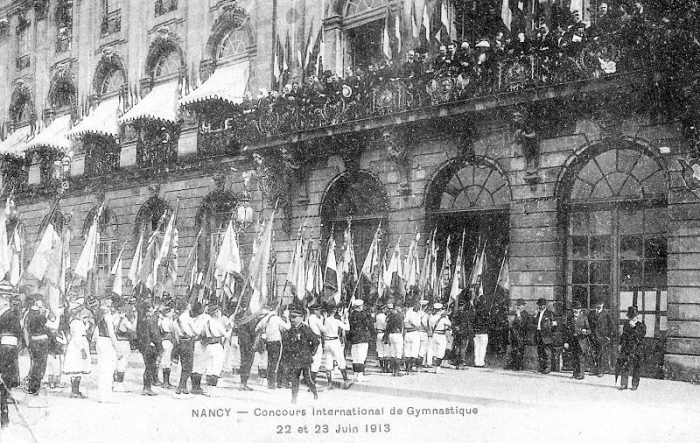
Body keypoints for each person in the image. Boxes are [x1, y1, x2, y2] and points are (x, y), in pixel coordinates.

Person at [281, 308, 319, 404]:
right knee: (294, 379)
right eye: (291, 318)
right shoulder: (290, 330)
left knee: (308, 379)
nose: (292, 320)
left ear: (301, 318)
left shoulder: (305, 329)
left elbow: (316, 341)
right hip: (294, 359)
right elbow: (286, 344)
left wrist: (311, 352)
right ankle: (294, 398)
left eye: (294, 317)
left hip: (305, 359)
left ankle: (315, 394)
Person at [24, 294, 55, 396]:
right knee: (40, 364)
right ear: (36, 302)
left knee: (35, 363)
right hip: (41, 341)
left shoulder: (28, 314)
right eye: (40, 301)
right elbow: (51, 324)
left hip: (33, 341)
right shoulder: (40, 314)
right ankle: (34, 387)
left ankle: (33, 385)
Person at [255, 306, 290, 390]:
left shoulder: (265, 319)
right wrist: (287, 317)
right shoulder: (277, 319)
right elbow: (288, 327)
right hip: (277, 342)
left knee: (270, 363)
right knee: (275, 363)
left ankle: (270, 383)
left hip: (268, 342)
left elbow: (257, 328)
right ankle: (273, 383)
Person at [0, 291, 21, 428]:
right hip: (10, 346)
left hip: (4, 345)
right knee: (6, 376)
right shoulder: (12, 315)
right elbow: (18, 332)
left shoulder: (5, 314)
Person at [93, 295, 119, 403]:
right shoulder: (107, 315)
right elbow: (111, 333)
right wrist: (118, 348)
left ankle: (102, 395)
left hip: (100, 340)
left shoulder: (98, 313)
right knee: (108, 369)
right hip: (107, 341)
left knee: (102, 368)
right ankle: (106, 396)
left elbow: (96, 331)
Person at [62, 306, 91, 399]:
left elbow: (84, 330)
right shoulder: (77, 323)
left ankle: (76, 390)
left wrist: (87, 323)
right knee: (77, 368)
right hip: (77, 346)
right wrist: (82, 349)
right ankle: (74, 391)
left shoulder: (77, 322)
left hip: (78, 343)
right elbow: (77, 338)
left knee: (77, 368)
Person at [136, 300, 163, 396]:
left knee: (147, 366)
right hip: (151, 346)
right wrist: (160, 347)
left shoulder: (141, 320)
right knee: (151, 367)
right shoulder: (151, 321)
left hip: (143, 346)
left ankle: (146, 387)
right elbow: (155, 335)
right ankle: (147, 388)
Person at [321, 305, 351, 389]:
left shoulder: (325, 320)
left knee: (328, 362)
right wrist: (346, 319)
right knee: (341, 361)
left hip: (327, 341)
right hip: (334, 341)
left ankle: (329, 383)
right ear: (334, 312)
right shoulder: (336, 321)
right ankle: (346, 381)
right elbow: (347, 328)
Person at [617, 306, 646, 390]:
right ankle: (624, 384)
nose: (632, 318)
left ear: (637, 316)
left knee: (636, 367)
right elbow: (624, 335)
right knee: (625, 365)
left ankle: (634, 384)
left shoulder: (641, 325)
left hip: (637, 348)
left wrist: (635, 327)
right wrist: (620, 344)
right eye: (630, 317)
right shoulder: (626, 324)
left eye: (633, 317)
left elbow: (641, 335)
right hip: (627, 348)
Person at [172, 300, 197, 395]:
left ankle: (182, 386)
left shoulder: (176, 320)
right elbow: (197, 331)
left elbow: (175, 335)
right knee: (188, 366)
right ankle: (182, 386)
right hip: (188, 342)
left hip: (180, 343)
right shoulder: (188, 318)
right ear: (187, 307)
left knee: (183, 365)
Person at [203, 305, 228, 397]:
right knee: (216, 368)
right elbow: (226, 335)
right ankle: (213, 391)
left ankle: (208, 390)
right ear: (216, 313)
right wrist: (231, 328)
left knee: (209, 368)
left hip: (208, 346)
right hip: (217, 345)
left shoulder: (206, 323)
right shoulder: (218, 323)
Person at [113, 296, 136, 392]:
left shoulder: (113, 317)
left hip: (114, 341)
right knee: (123, 362)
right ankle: (119, 385)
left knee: (115, 362)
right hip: (123, 341)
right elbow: (133, 328)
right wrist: (135, 317)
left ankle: (113, 383)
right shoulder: (124, 319)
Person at [348, 299, 374, 382]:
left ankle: (355, 374)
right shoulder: (362, 315)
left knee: (355, 358)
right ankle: (360, 375)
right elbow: (368, 324)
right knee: (361, 357)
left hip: (354, 338)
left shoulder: (351, 315)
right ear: (359, 307)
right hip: (362, 337)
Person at [564, 301, 590, 380]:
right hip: (573, 340)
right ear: (572, 309)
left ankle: (581, 374)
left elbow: (589, 330)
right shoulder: (569, 318)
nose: (576, 310)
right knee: (574, 357)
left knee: (581, 358)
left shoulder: (584, 318)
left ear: (580, 310)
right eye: (575, 308)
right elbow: (566, 331)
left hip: (581, 340)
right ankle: (575, 373)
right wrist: (566, 341)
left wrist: (585, 332)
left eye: (578, 309)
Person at [588, 299, 614, 376]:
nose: (599, 305)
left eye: (601, 304)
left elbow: (611, 326)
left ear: (603, 304)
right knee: (594, 353)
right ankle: (594, 369)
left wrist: (608, 336)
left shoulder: (606, 314)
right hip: (593, 336)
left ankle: (601, 370)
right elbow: (588, 324)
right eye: (597, 303)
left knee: (601, 354)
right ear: (595, 305)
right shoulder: (591, 313)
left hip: (602, 337)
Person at [535, 298, 556, 374]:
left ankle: (547, 368)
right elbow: (534, 323)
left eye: (542, 305)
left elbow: (554, 325)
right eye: (539, 305)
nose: (540, 306)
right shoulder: (537, 313)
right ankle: (541, 367)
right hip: (539, 335)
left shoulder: (550, 313)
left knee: (547, 353)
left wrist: (549, 330)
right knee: (540, 352)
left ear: (545, 305)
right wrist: (535, 315)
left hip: (547, 336)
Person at [428, 303, 451, 374]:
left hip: (435, 334)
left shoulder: (431, 318)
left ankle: (435, 368)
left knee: (434, 351)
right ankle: (438, 368)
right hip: (441, 335)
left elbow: (430, 327)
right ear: (440, 310)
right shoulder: (444, 319)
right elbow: (449, 325)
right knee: (440, 352)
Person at [506, 299, 529, 371]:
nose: (518, 307)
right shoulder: (517, 314)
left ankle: (518, 366)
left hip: (521, 336)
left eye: (519, 305)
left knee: (519, 351)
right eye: (517, 305)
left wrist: (518, 315)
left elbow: (522, 325)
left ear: (523, 306)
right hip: (515, 335)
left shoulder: (525, 314)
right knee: (514, 350)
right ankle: (514, 364)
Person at [384, 303, 404, 377]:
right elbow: (402, 326)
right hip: (397, 334)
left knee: (392, 354)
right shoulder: (399, 316)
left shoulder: (390, 316)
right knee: (398, 354)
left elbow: (387, 327)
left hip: (391, 335)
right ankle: (397, 371)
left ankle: (392, 371)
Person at [157, 306, 176, 388]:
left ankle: (166, 381)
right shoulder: (166, 321)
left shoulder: (165, 320)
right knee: (167, 362)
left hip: (166, 341)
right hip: (167, 341)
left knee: (166, 362)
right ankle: (166, 382)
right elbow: (170, 330)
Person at [402, 301, 423, 374]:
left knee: (410, 352)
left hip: (411, 333)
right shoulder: (412, 313)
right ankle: (409, 369)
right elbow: (407, 324)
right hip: (413, 333)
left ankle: (409, 368)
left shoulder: (413, 313)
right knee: (410, 352)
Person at [306, 304, 324, 386]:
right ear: (315, 311)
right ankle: (312, 381)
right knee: (316, 361)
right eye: (319, 310)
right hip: (316, 340)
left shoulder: (308, 318)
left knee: (310, 360)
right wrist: (324, 319)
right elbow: (324, 329)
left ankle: (309, 379)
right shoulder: (316, 319)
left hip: (309, 340)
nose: (320, 312)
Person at [472, 291, 490, 368]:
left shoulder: (475, 312)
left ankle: (476, 362)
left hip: (476, 332)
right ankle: (481, 362)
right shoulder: (486, 312)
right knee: (483, 348)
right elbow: (488, 321)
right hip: (484, 332)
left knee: (477, 347)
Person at [374, 304, 389, 373]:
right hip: (384, 333)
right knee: (385, 351)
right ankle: (386, 368)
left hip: (378, 333)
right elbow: (386, 326)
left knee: (380, 351)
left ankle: (382, 368)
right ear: (383, 309)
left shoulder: (376, 316)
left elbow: (374, 326)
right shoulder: (385, 317)